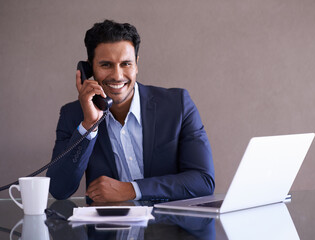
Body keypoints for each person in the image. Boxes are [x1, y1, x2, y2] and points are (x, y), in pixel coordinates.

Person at [46, 19, 215, 202]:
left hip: (170, 227)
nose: (117, 76)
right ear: (89, 68)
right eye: (106, 65)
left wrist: (132, 190)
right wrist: (89, 126)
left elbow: (203, 181)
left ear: (136, 64)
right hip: (109, 229)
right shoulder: (73, 116)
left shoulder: (177, 105)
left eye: (126, 64)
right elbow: (59, 189)